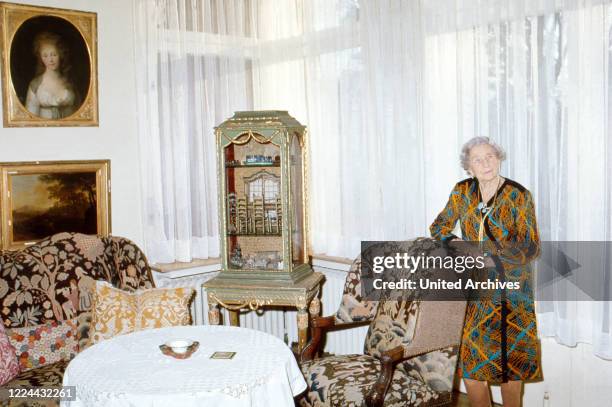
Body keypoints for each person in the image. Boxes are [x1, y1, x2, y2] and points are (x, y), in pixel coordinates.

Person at [430, 136, 541, 407]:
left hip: (512, 291)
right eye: (477, 159)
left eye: (490, 156)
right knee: (471, 364)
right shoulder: (462, 191)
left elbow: (531, 246)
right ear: (469, 167)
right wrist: (460, 246)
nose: (485, 163)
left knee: (509, 365)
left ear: (499, 158)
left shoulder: (518, 195)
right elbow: (439, 227)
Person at [25, 31, 78, 119]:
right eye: (45, 56)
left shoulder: (69, 81)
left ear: (60, 55)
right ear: (41, 58)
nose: (50, 60)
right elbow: (30, 117)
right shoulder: (35, 84)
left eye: (54, 55)